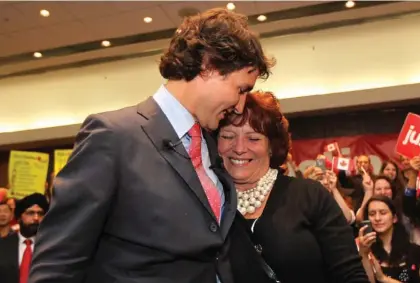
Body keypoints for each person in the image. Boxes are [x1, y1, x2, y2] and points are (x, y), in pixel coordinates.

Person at [29, 8, 274, 283]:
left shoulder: (211, 144)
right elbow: (58, 263)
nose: (240, 105)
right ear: (209, 66)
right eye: (240, 89)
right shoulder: (112, 137)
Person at [218, 90, 368, 282]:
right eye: (228, 136)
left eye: (253, 138)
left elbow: (351, 275)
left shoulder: (309, 195)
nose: (239, 148)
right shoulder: (206, 204)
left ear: (272, 146)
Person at [357, 195, 420, 283]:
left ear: (394, 218)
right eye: (372, 214)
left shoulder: (414, 251)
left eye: (383, 213)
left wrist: (383, 278)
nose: (377, 218)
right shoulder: (364, 251)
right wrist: (364, 254)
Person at [0, 193, 49, 283]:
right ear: (19, 217)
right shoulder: (3, 245)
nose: (36, 218)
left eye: (40, 213)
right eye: (30, 213)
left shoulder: (52, 246)